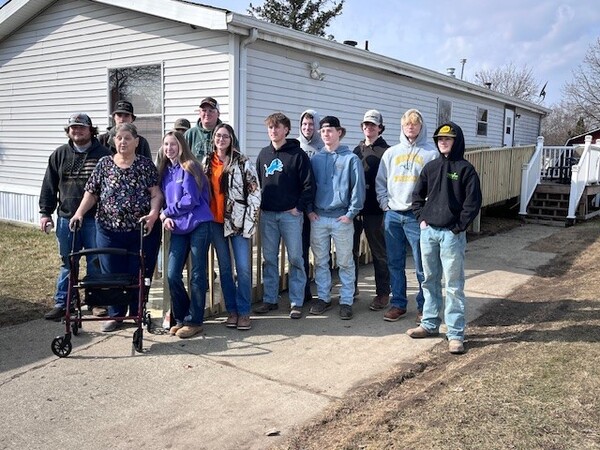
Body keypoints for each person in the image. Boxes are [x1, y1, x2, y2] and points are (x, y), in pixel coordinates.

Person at [70, 123, 163, 332]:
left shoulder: (145, 165)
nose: (122, 142)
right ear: (113, 141)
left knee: (136, 272)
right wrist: (79, 213)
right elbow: (92, 193)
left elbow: (156, 194)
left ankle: (136, 312)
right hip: (108, 231)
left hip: (139, 231)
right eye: (119, 138)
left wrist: (153, 214)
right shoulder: (104, 164)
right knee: (111, 274)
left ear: (136, 142)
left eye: (127, 138)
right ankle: (115, 315)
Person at [407, 122, 482, 354]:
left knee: (453, 285)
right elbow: (417, 195)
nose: (443, 142)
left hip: (451, 235)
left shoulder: (465, 169)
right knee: (429, 280)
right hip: (428, 232)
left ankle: (455, 334)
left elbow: (473, 202)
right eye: (440, 139)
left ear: (456, 141)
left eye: (448, 139)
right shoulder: (430, 167)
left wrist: (459, 227)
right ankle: (429, 324)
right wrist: (421, 217)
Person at [39, 113, 110, 320]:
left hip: (94, 219)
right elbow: (49, 186)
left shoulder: (104, 154)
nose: (77, 131)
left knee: (95, 260)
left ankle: (96, 301)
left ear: (90, 130)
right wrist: (45, 213)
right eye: (73, 128)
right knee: (68, 262)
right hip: (66, 218)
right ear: (68, 131)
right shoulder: (59, 155)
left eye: (81, 127)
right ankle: (63, 302)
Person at [375, 108, 438, 323]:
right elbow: (381, 182)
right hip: (393, 215)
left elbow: (435, 187)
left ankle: (424, 306)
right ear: (402, 127)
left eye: (415, 123)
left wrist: (426, 213)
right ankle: (398, 304)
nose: (411, 127)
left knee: (422, 265)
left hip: (416, 217)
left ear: (421, 126)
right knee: (395, 262)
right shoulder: (391, 153)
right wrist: (385, 205)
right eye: (407, 124)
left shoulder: (431, 153)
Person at [254, 112, 314, 319]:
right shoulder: (263, 154)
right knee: (269, 259)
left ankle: (296, 301)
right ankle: (270, 299)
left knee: (296, 258)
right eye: (270, 127)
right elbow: (257, 184)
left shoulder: (298, 155)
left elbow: (309, 185)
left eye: (277, 127)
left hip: (291, 216)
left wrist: (298, 207)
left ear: (286, 130)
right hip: (268, 215)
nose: (273, 131)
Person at [204, 123, 261, 330]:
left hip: (238, 223)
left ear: (231, 139)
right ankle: (233, 311)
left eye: (225, 136)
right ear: (214, 139)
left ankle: (245, 312)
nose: (221, 139)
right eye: (218, 136)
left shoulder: (243, 162)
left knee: (244, 269)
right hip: (215, 222)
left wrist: (249, 224)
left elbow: (255, 194)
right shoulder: (207, 162)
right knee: (225, 269)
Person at [308, 116, 365, 320]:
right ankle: (323, 298)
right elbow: (309, 187)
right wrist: (310, 211)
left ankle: (346, 300)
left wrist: (350, 214)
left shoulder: (351, 159)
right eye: (323, 131)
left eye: (330, 130)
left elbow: (358, 190)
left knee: (345, 261)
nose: (326, 134)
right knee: (321, 261)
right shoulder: (315, 159)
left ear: (339, 132)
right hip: (319, 218)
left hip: (341, 219)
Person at [158, 131, 213, 339]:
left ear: (181, 146)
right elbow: (163, 200)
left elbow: (191, 200)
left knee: (198, 274)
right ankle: (181, 317)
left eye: (173, 144)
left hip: (199, 223)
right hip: (178, 226)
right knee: (172, 274)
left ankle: (195, 321)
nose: (169, 148)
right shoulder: (165, 171)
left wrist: (167, 213)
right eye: (166, 144)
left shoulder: (190, 167)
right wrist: (164, 217)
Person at [352, 109, 391, 308]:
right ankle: (351, 288)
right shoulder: (356, 150)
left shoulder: (387, 152)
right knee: (351, 251)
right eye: (366, 124)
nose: (369, 127)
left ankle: (383, 293)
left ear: (380, 128)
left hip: (376, 210)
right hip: (355, 209)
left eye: (373, 125)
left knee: (379, 252)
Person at [297, 109, 323, 304]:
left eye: (312, 124)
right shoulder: (295, 146)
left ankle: (324, 290)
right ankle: (304, 290)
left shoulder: (323, 147)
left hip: (319, 207)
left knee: (321, 251)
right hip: (300, 207)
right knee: (301, 250)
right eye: (305, 124)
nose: (308, 127)